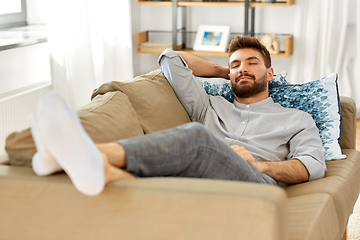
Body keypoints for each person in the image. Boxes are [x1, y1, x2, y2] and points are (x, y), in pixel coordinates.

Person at [30, 36, 326, 196]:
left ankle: (85, 152)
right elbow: (171, 59)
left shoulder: (297, 119)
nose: (243, 68)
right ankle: (98, 169)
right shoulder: (208, 105)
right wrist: (229, 73)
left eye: (252, 63)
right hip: (199, 171)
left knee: (197, 137)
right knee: (186, 149)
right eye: (236, 64)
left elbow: (312, 166)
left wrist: (259, 165)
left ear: (270, 73)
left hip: (256, 182)